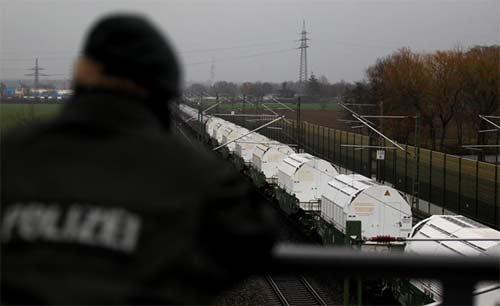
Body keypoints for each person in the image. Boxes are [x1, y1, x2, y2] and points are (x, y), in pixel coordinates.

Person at [1, 14, 277, 305]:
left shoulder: (12, 151)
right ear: (163, 90)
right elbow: (254, 239)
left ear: (81, 72)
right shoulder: (194, 172)